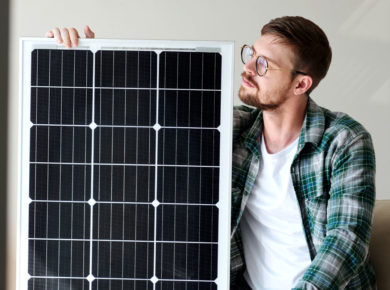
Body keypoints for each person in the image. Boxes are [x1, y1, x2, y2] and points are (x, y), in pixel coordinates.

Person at [46, 16, 376, 289]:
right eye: (251, 54)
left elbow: (346, 241)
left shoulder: (343, 141)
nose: (248, 68)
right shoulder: (232, 129)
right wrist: (91, 57)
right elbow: (149, 121)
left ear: (300, 84)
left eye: (264, 64)